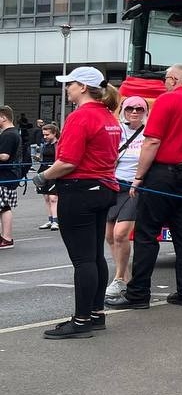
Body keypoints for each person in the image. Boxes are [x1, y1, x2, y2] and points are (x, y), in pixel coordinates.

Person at [108, 65, 182, 310]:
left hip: (162, 174)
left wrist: (138, 177)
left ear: (173, 79)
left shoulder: (167, 100)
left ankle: (138, 295)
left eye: (166, 80)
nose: (164, 84)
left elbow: (152, 141)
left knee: (147, 233)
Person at [32, 68, 122, 339]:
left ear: (83, 87)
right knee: (94, 255)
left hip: (80, 191)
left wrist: (42, 176)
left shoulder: (80, 116)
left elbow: (68, 161)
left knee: (83, 260)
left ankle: (81, 320)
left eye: (69, 84)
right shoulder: (108, 116)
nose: (67, 88)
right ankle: (95, 314)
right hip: (103, 188)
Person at [104, 97, 148, 302]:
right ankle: (125, 277)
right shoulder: (116, 130)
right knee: (109, 236)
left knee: (121, 234)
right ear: (123, 110)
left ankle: (119, 278)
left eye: (139, 108)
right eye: (130, 108)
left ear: (145, 111)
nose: (135, 112)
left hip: (134, 189)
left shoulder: (150, 133)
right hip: (112, 186)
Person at [0, 105, 23, 249]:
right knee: (3, 206)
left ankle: (7, 237)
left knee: (4, 207)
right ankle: (5, 236)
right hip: (10, 175)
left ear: (3, 117)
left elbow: (4, 156)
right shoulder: (14, 132)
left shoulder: (8, 134)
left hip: (5, 175)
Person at [36, 123, 60, 230]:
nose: (45, 137)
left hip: (54, 170)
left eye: (47, 135)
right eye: (44, 135)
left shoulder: (59, 144)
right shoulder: (44, 145)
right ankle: (50, 220)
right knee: (46, 197)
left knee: (53, 197)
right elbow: (41, 157)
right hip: (43, 170)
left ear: (54, 134)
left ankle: (56, 221)